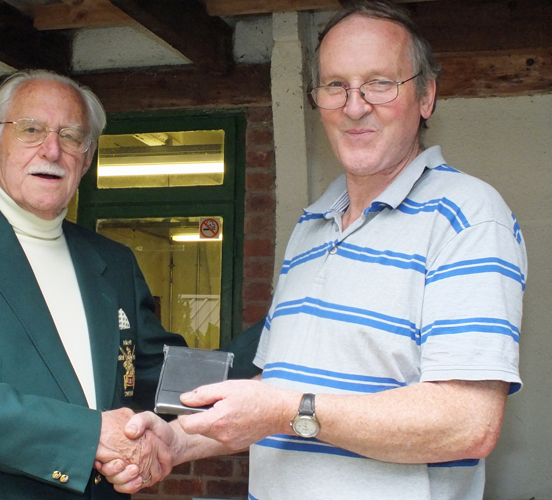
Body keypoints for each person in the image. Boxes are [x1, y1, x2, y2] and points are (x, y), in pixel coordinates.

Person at [98, 2, 528, 499]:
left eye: (380, 83)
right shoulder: (312, 224)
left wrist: (289, 411)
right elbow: (274, 386)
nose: (354, 105)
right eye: (335, 86)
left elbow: (468, 423)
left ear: (426, 95)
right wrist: (175, 440)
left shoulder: (468, 216)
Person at [0, 69, 189, 499]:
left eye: (72, 136)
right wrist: (93, 434)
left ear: (88, 156)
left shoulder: (113, 261)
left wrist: (271, 359)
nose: (52, 150)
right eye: (31, 130)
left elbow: (162, 377)